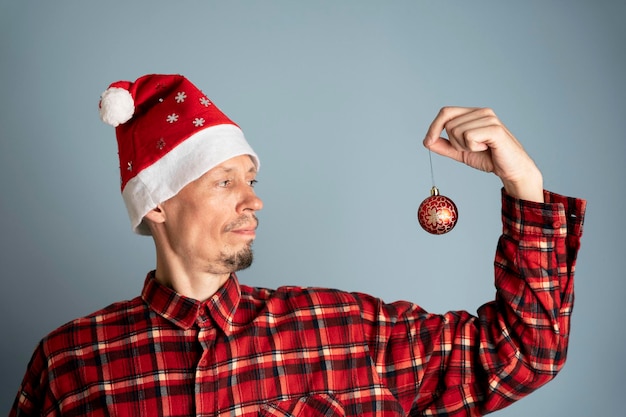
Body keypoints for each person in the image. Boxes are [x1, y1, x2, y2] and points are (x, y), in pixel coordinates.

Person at [10, 74, 586, 417]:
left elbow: (521, 354)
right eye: (224, 181)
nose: (253, 201)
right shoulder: (69, 368)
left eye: (251, 179)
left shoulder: (346, 332)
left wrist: (523, 185)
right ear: (156, 204)